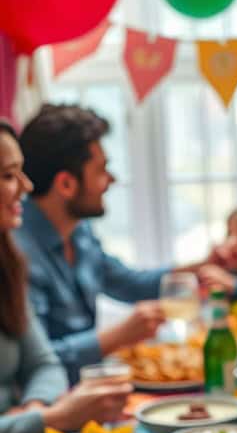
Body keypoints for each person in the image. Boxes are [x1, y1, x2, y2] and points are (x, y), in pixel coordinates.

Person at [0, 121, 131, 433]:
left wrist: (33, 411)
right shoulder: (25, 247)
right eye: (8, 176)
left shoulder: (7, 263)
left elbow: (44, 363)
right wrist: (49, 419)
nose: (26, 187)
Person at [16, 103, 172, 384]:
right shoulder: (17, 254)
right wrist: (116, 337)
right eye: (101, 170)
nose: (111, 180)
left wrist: (198, 271)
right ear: (66, 184)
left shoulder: (79, 230)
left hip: (92, 389)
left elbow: (128, 283)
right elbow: (37, 365)